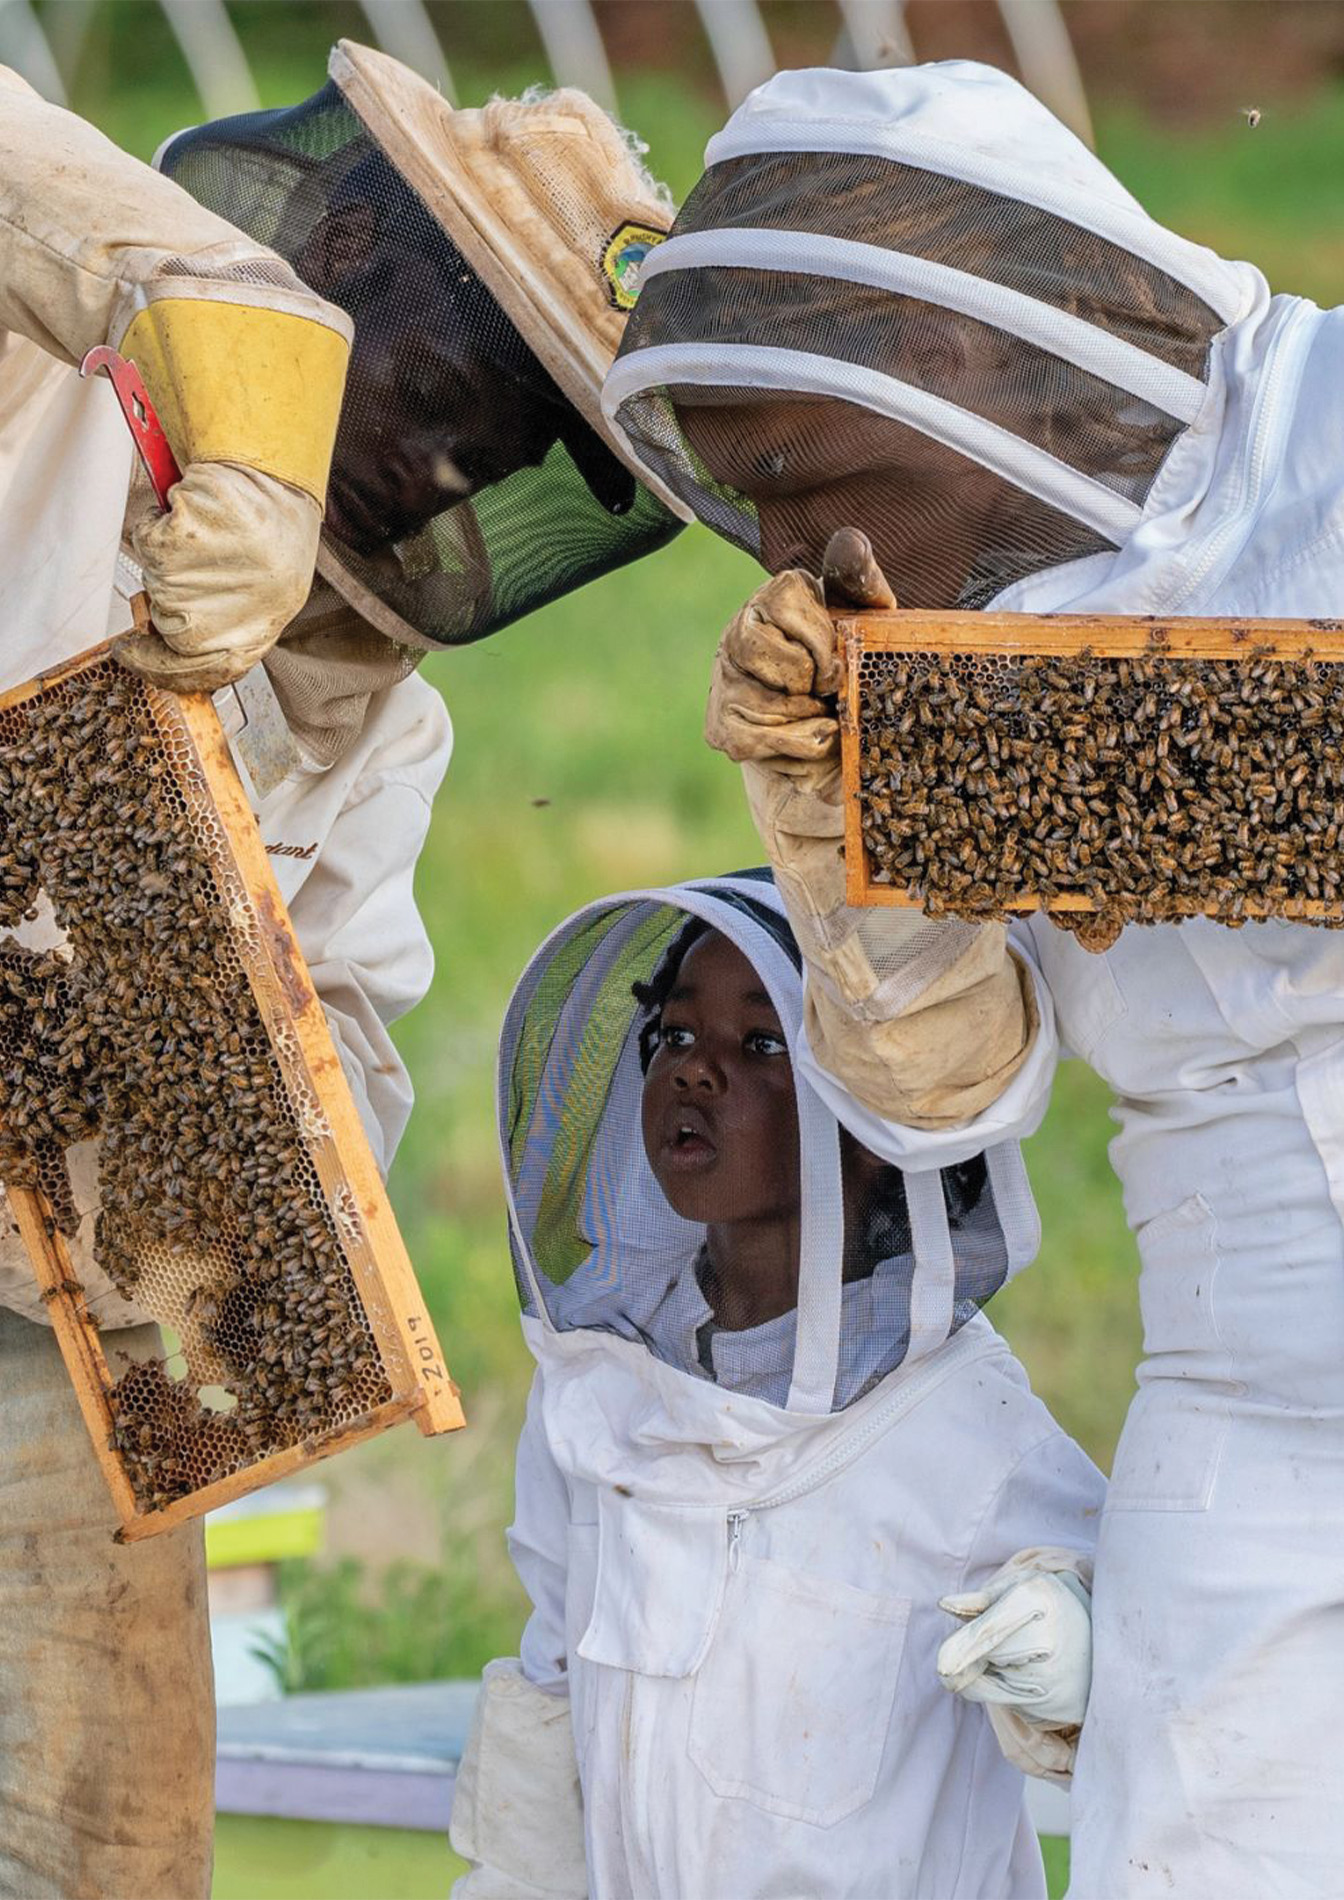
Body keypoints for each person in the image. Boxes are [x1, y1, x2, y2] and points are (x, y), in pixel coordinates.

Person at [0, 44, 679, 1896]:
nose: (450, 451)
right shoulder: (6, 387)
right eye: (451, 374)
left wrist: (239, 1166)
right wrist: (242, 401)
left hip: (39, 1352)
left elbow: (332, 1051)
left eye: (513, 438)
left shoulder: (375, 731)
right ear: (348, 237)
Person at [602, 59, 1344, 1897]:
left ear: (959, 371)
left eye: (810, 488)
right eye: (753, 511)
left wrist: (1153, 775)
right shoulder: (924, 660)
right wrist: (843, 852)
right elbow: (952, 1096)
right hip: (1246, 1396)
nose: (795, 561)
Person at [450, 872, 1103, 1899]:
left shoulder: (967, 1438)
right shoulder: (603, 1390)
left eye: (760, 1047)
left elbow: (1157, 1670)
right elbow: (554, 1684)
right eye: (672, 1036)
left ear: (874, 1125)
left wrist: (1073, 1652)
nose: (694, 1072)